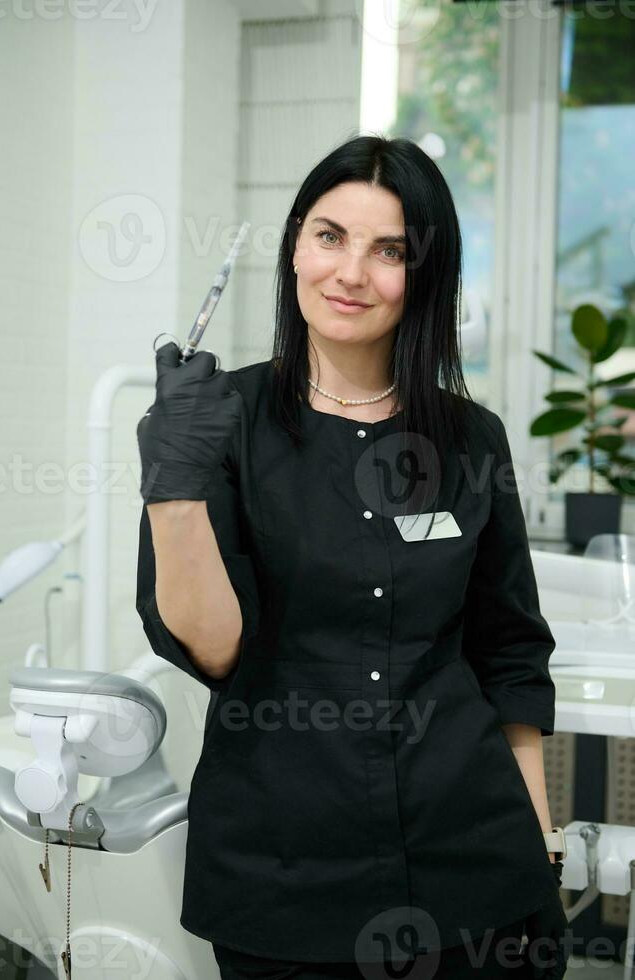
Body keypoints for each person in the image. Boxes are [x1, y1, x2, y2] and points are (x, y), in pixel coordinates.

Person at [135, 134, 569, 979]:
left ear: (424, 275)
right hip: (282, 874)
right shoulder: (221, 417)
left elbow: (508, 653)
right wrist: (174, 488)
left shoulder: (470, 438)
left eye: (389, 251)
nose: (350, 273)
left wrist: (541, 843)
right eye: (329, 236)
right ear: (295, 243)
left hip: (472, 864)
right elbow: (214, 646)